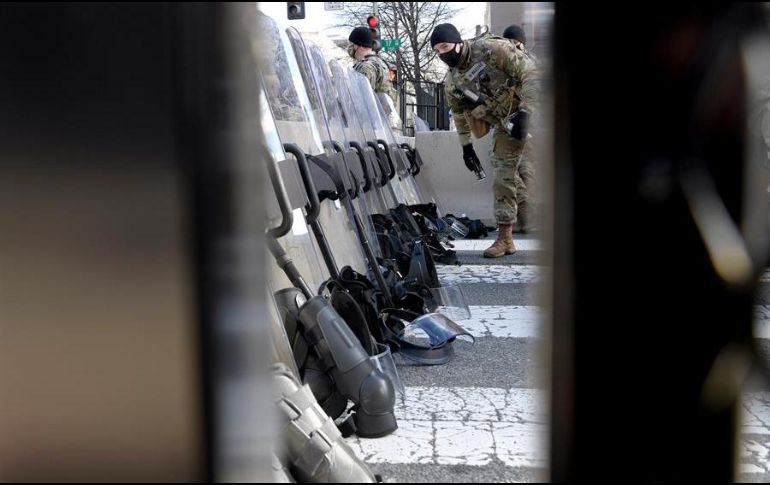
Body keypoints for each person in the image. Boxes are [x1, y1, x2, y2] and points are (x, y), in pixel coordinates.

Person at [431, 23, 538, 257]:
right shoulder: (454, 81)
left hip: (535, 110)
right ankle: (505, 239)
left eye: (445, 47)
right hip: (507, 124)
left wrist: (526, 111)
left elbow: (530, 73)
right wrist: (466, 147)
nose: (442, 54)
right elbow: (459, 114)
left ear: (458, 43)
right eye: (437, 51)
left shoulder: (491, 49)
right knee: (502, 176)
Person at [503, 24, 538, 233]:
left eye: (516, 43)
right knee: (509, 171)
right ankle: (523, 215)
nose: (513, 48)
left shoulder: (531, 65)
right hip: (508, 124)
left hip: (529, 123)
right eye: (509, 44)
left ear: (522, 44)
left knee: (526, 171)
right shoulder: (503, 65)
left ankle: (526, 217)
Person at [347, 26, 399, 117]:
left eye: (352, 44)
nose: (349, 47)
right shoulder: (384, 64)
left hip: (372, 122)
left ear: (359, 45)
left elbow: (359, 102)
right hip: (385, 121)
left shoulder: (366, 67)